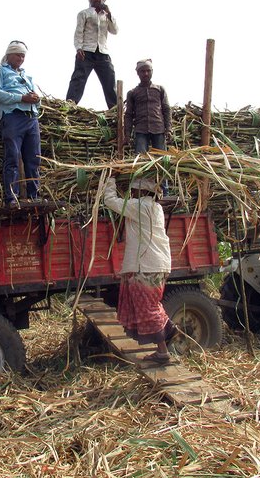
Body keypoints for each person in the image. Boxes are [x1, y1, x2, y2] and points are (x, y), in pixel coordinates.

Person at [102, 176, 177, 364]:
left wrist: (110, 179)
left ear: (143, 192)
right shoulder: (155, 207)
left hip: (146, 266)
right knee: (151, 305)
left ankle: (164, 349)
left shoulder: (141, 206)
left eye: (134, 191)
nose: (132, 194)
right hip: (155, 264)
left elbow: (110, 201)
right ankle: (168, 334)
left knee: (148, 308)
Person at [0, 40, 41, 207]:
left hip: (31, 118)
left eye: (23, 55)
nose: (21, 58)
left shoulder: (26, 76)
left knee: (34, 159)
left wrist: (36, 100)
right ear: (9, 55)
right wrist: (21, 98)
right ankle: (11, 198)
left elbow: (36, 99)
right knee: (12, 157)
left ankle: (34, 196)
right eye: (18, 54)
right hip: (13, 117)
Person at [66, 0, 118, 108]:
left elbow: (114, 30)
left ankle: (115, 109)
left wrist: (109, 14)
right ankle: (69, 105)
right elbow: (79, 32)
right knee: (78, 79)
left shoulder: (106, 15)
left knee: (109, 79)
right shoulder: (84, 13)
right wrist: (79, 48)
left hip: (102, 52)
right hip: (86, 52)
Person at [124, 59, 172, 194]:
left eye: (148, 71)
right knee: (140, 161)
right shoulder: (133, 93)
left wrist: (168, 128)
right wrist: (127, 135)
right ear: (137, 73)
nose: (145, 74)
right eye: (142, 71)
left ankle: (164, 191)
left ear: (152, 72)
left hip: (158, 129)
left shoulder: (159, 89)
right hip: (141, 130)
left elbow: (166, 109)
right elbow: (128, 115)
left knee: (162, 162)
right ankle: (141, 191)